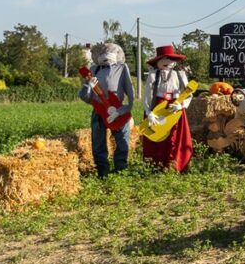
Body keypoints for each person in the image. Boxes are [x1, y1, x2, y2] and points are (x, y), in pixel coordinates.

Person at [78, 42, 133, 178]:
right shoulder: (93, 70)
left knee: (122, 141)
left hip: (118, 109)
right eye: (102, 53)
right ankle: (102, 171)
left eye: (109, 52)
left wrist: (122, 110)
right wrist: (88, 86)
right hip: (99, 111)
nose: (106, 54)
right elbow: (85, 97)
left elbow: (130, 93)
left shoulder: (122, 68)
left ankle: (121, 169)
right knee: (98, 142)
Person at [142, 44, 194, 172]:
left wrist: (181, 105)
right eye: (163, 59)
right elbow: (147, 96)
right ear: (157, 61)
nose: (167, 62)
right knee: (158, 136)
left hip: (175, 106)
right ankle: (157, 165)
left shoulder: (180, 75)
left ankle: (175, 165)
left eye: (170, 59)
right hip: (158, 106)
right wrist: (149, 112)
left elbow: (188, 93)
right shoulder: (153, 76)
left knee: (175, 137)